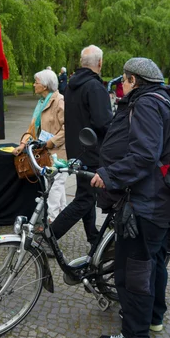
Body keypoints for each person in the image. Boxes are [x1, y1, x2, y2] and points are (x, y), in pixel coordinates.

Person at [91, 57, 170, 338]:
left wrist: (109, 175)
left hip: (147, 203)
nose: (121, 87)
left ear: (133, 80)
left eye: (124, 82)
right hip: (162, 201)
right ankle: (153, 318)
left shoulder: (144, 104)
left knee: (133, 271)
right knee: (152, 263)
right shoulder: (162, 101)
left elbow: (144, 156)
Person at [51, 45, 113, 244]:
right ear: (100, 63)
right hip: (93, 151)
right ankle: (50, 235)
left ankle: (93, 236)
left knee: (86, 194)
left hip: (77, 149)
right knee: (85, 198)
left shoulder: (70, 86)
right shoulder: (95, 87)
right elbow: (103, 123)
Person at [13, 69, 67, 222]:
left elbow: (68, 127)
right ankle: (61, 216)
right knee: (55, 184)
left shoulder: (59, 101)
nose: (33, 84)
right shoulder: (41, 103)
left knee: (56, 185)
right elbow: (32, 128)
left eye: (36, 82)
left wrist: (51, 142)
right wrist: (23, 144)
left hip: (58, 152)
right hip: (46, 152)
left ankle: (53, 220)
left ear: (44, 86)